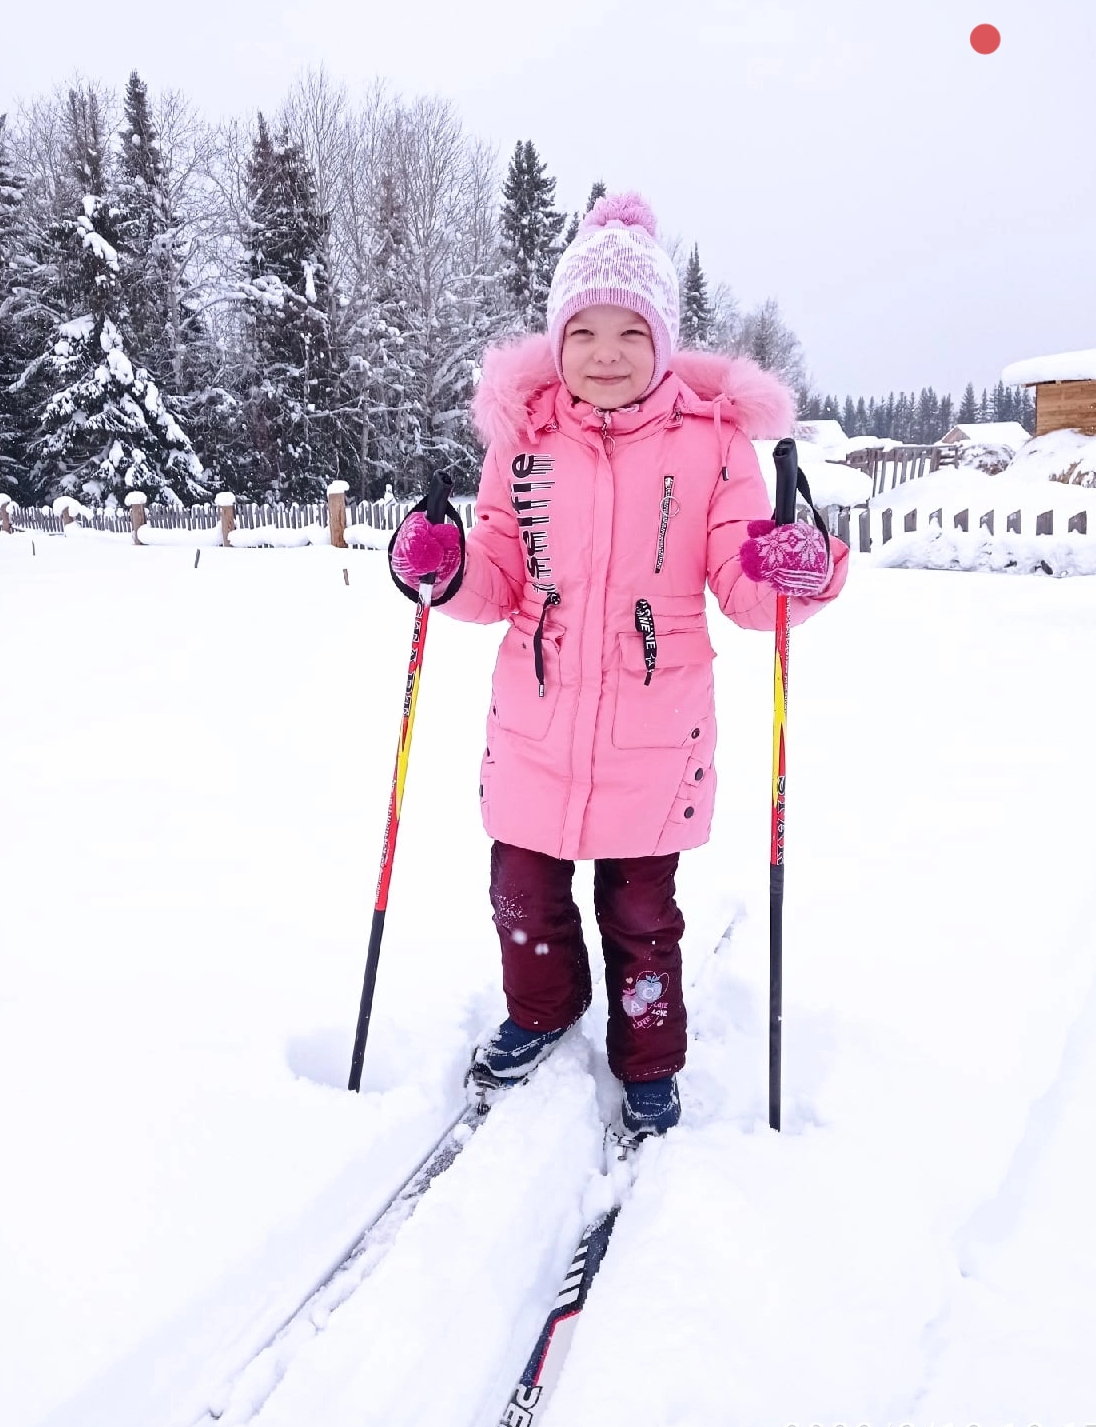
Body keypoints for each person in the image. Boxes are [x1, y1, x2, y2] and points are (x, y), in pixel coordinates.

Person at [388, 192, 848, 1138]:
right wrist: (444, 566)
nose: (605, 352)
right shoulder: (523, 440)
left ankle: (649, 1056)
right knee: (521, 886)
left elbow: (744, 589)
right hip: (535, 720)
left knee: (643, 911)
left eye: (630, 332)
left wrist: (790, 565)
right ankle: (542, 1007)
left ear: (664, 340)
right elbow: (499, 577)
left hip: (655, 725)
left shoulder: (714, 443)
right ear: (557, 340)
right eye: (585, 330)